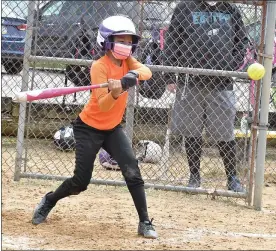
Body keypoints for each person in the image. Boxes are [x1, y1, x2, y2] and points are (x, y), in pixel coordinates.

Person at [32, 15, 158, 239]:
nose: (126, 46)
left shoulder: (128, 62)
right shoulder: (99, 67)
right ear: (107, 41)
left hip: (112, 129)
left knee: (132, 171)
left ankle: (144, 222)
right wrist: (116, 90)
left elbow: (146, 72)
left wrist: (130, 76)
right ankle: (49, 200)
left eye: (129, 42)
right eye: (121, 40)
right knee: (80, 182)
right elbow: (104, 103)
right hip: (88, 128)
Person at [164, 1, 249, 192]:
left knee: (224, 132)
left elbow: (242, 41)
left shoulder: (230, 9)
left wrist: (230, 64)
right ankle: (194, 176)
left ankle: (232, 177)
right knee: (191, 130)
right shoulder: (185, 7)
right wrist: (169, 74)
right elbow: (172, 41)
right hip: (190, 81)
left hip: (221, 82)